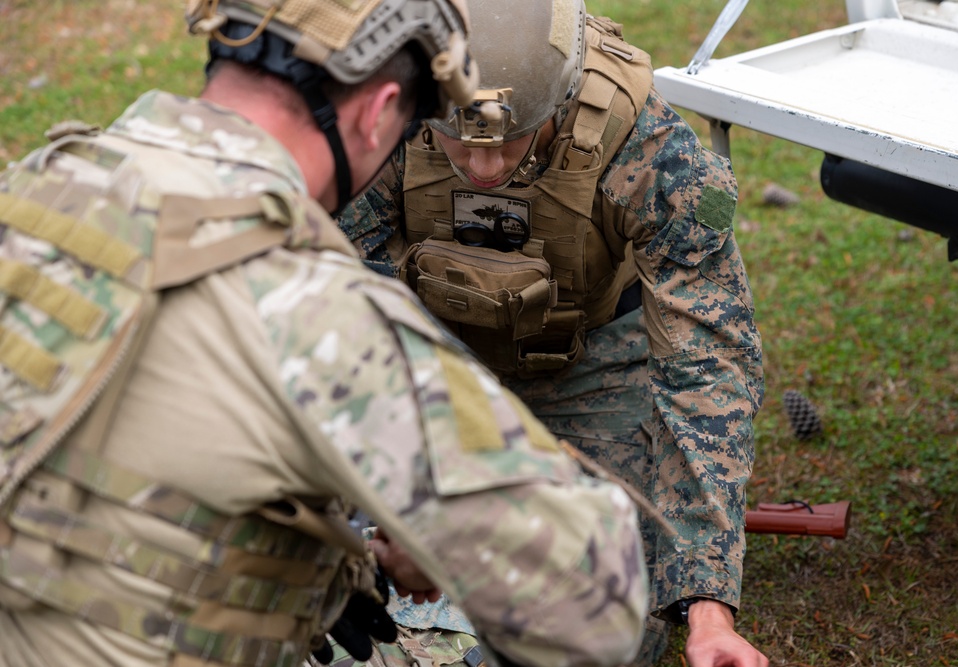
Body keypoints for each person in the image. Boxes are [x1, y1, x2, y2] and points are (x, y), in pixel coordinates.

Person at [0, 2, 649, 666]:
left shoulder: (33, 188)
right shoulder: (312, 309)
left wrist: (298, 568)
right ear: (378, 112)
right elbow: (591, 606)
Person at [333, 0, 768, 665]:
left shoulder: (643, 144)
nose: (485, 168)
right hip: (437, 360)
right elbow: (329, 310)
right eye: (462, 141)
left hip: (595, 362)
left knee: (605, 624)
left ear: (562, 101)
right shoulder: (389, 114)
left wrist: (707, 609)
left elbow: (706, 367)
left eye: (512, 138)